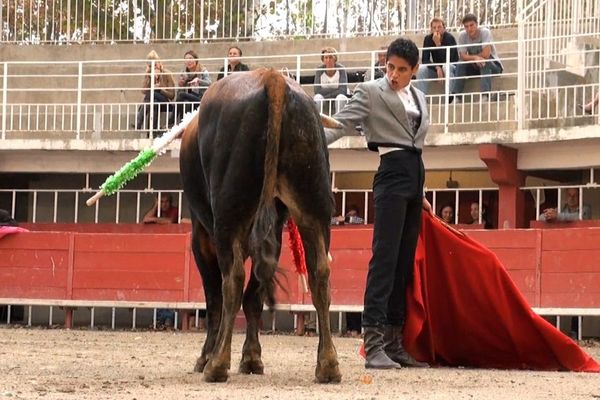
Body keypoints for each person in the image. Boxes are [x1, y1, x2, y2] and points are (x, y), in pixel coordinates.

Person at [324, 38, 432, 369]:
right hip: (390, 173)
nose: (394, 74)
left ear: (414, 70)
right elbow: (339, 125)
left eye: (402, 69)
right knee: (384, 260)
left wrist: (421, 192)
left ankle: (394, 343)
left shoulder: (420, 96)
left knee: (402, 264)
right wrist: (306, 138)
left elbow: (415, 144)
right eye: (390, 67)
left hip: (414, 177)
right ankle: (373, 345)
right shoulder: (371, 91)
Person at [452, 14, 503, 102]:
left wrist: (474, 58)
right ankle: (456, 97)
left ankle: (485, 96)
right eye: (466, 26)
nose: (469, 29)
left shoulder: (485, 32)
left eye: (471, 25)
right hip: (475, 65)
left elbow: (486, 54)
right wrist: (475, 58)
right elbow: (462, 56)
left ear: (477, 24)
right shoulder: (462, 35)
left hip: (493, 66)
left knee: (484, 62)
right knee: (460, 64)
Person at [415, 17, 459, 95]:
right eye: (434, 28)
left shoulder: (449, 38)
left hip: (451, 69)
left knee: (446, 66)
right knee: (421, 69)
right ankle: (421, 97)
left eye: (439, 27)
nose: (437, 30)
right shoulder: (428, 39)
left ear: (444, 28)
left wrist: (438, 44)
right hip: (437, 70)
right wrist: (437, 67)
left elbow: (450, 60)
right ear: (431, 30)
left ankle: (449, 96)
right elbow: (425, 60)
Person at [136, 50, 175, 132]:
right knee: (154, 104)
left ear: (160, 63)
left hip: (165, 103)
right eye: (151, 66)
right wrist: (147, 76)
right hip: (153, 103)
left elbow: (172, 95)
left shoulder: (167, 73)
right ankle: (151, 132)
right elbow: (143, 91)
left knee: (151, 94)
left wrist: (160, 89)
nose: (154, 67)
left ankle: (138, 122)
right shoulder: (150, 75)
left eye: (155, 65)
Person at [170, 50, 211, 125]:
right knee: (183, 100)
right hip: (187, 97)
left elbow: (209, 83)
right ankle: (183, 125)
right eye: (186, 59)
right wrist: (181, 85)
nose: (188, 61)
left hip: (200, 98)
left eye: (190, 58)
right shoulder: (183, 73)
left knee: (182, 96)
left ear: (196, 60)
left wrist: (199, 80)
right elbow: (179, 92)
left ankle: (172, 121)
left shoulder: (203, 70)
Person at [313, 47, 349, 114]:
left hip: (336, 98)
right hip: (324, 98)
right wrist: (334, 91)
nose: (328, 60)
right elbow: (317, 90)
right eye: (326, 58)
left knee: (340, 98)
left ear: (335, 59)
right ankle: (318, 122)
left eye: (330, 57)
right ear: (323, 60)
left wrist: (327, 94)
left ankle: (339, 122)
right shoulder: (319, 70)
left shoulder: (341, 69)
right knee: (317, 97)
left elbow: (343, 90)